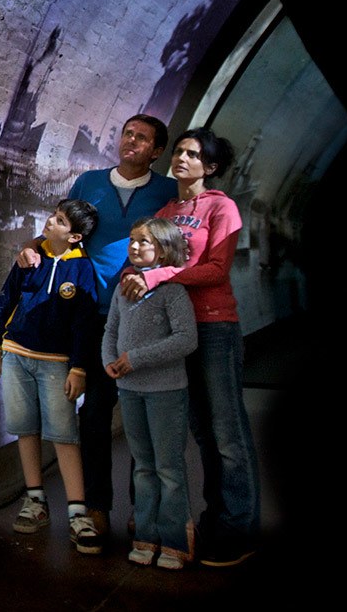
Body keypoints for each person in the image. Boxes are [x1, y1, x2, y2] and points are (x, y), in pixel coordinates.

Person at [18, 114, 177, 536]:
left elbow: (178, 249)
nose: (131, 141)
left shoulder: (167, 191)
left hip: (143, 317)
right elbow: (63, 229)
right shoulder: (89, 183)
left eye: (142, 138)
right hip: (91, 314)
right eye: (128, 133)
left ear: (157, 151)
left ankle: (142, 512)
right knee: (93, 416)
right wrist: (32, 249)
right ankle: (97, 506)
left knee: (143, 421)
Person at [120, 127, 259, 567]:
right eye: (178, 151)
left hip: (215, 328)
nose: (181, 158)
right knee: (200, 430)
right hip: (173, 331)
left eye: (192, 154)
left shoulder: (222, 207)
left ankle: (238, 528)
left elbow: (215, 269)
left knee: (227, 433)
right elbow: (149, 258)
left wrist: (159, 276)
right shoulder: (166, 209)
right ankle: (210, 518)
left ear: (210, 167)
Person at [0, 198, 102, 554]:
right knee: (25, 429)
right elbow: (5, 301)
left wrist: (79, 367)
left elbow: (86, 324)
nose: (50, 222)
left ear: (76, 236)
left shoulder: (82, 271)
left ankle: (77, 512)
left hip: (56, 363)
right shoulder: (29, 259)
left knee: (64, 434)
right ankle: (35, 500)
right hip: (18, 355)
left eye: (60, 221)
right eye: (53, 216)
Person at [102, 218, 197, 569]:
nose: (135, 246)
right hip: (129, 390)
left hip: (165, 391)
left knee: (168, 467)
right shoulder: (123, 287)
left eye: (144, 241)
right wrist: (109, 360)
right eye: (132, 240)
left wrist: (136, 359)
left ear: (165, 248)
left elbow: (186, 339)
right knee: (142, 465)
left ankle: (174, 540)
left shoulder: (172, 290)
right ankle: (145, 534)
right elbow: (111, 329)